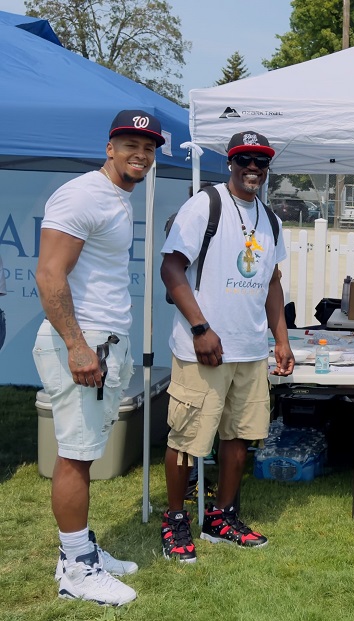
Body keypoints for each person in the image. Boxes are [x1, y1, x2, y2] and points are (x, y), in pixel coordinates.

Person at [33, 109, 164, 605]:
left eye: (149, 148)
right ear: (109, 148)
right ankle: (76, 569)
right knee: (75, 455)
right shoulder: (84, 193)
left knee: (86, 454)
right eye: (130, 144)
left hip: (103, 342)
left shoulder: (115, 197)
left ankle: (82, 546)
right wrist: (77, 346)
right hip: (84, 344)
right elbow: (49, 275)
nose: (141, 154)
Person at [159, 130, 294, 563]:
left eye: (261, 161)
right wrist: (201, 328)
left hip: (250, 351)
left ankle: (222, 515)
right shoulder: (207, 204)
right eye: (244, 159)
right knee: (187, 438)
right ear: (230, 163)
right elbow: (171, 268)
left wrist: (281, 339)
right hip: (204, 349)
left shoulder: (270, 219)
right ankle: (176, 519)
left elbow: (272, 282)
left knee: (240, 437)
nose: (253, 167)